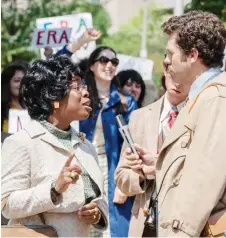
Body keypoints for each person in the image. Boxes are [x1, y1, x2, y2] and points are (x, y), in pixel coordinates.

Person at [118, 10, 226, 237]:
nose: (165, 61)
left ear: (193, 55)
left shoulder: (215, 98)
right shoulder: (205, 96)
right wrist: (160, 164)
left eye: (170, 53)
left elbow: (204, 179)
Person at [1, 55, 108, 237]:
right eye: (76, 87)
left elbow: (99, 198)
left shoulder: (86, 146)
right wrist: (54, 189)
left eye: (83, 85)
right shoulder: (22, 142)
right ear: (53, 97)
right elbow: (6, 204)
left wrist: (97, 213)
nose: (85, 92)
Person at [115, 68, 190, 237]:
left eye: (184, 75)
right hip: (146, 223)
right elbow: (121, 177)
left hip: (185, 222)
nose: (178, 81)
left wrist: (158, 167)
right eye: (173, 74)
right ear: (165, 70)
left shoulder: (200, 115)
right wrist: (141, 175)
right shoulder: (139, 117)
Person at [80, 46, 138, 237]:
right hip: (82, 166)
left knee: (113, 227)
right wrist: (80, 41)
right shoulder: (78, 97)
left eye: (114, 62)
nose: (110, 65)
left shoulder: (126, 101)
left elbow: (132, 144)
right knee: (82, 221)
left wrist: (125, 183)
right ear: (91, 66)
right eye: (104, 60)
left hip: (112, 167)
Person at [1, 61, 28, 132]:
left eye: (25, 80)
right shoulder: (2, 109)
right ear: (7, 83)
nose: (22, 84)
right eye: (17, 81)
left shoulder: (36, 105)